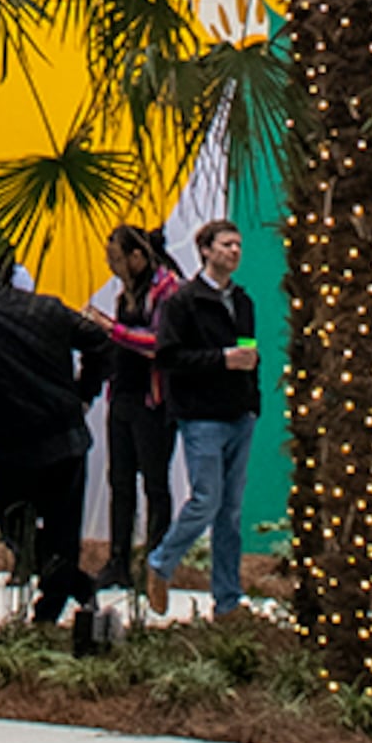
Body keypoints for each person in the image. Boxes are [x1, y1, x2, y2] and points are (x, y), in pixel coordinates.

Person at [0, 246, 110, 632]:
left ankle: (57, 604)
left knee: (16, 525)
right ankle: (61, 600)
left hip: (14, 444)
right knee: (62, 532)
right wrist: (84, 392)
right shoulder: (48, 308)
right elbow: (100, 342)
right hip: (65, 437)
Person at [148, 219, 262, 614]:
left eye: (238, 245)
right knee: (206, 499)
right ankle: (161, 561)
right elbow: (168, 357)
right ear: (206, 250)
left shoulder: (242, 301)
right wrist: (221, 360)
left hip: (239, 413)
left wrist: (252, 398)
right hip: (202, 416)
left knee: (230, 512)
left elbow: (248, 351)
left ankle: (227, 599)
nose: (234, 251)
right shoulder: (184, 302)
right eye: (227, 244)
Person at [86, 222, 180, 591]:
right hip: (123, 395)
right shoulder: (126, 292)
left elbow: (159, 343)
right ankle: (118, 560)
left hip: (152, 400)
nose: (113, 267)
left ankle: (155, 563)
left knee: (155, 482)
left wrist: (112, 329)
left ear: (138, 256)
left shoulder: (167, 290)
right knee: (120, 481)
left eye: (117, 259)